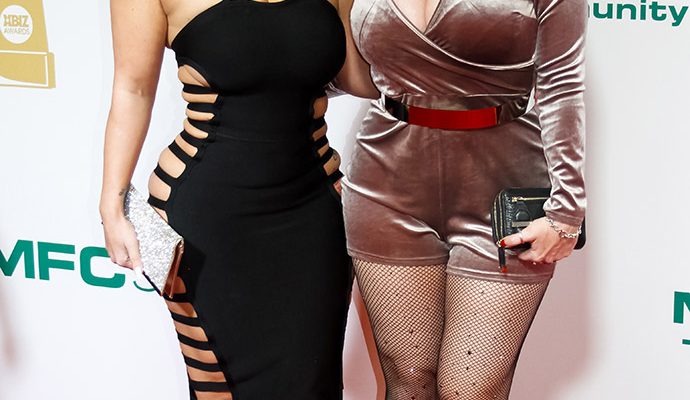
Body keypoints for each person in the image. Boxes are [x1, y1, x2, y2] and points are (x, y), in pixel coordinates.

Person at [99, 0, 355, 398]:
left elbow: (359, 77)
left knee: (312, 384)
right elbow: (133, 89)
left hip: (313, 213)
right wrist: (112, 207)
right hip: (208, 222)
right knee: (222, 387)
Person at [336, 0, 587, 398]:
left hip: (503, 193)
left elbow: (562, 86)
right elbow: (329, 68)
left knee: (469, 390)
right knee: (408, 381)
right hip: (384, 186)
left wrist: (567, 211)